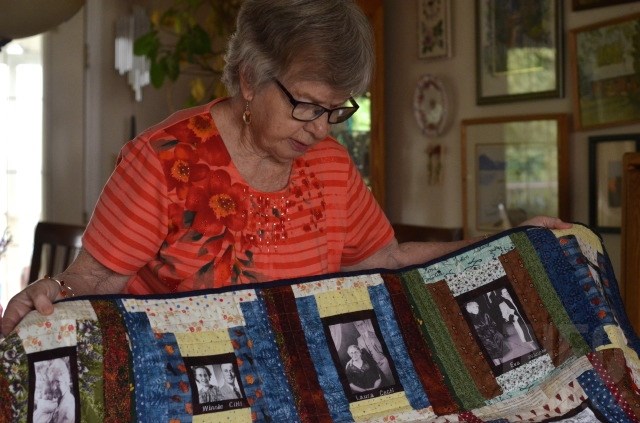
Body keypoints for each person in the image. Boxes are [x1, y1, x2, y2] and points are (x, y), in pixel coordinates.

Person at [0, 0, 571, 337]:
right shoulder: (162, 162)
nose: (321, 129)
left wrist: (506, 242)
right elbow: (92, 289)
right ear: (249, 77)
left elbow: (388, 260)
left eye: (336, 110)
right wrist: (45, 296)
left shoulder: (328, 164)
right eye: (306, 104)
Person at [465, 301, 506, 365]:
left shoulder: (485, 314)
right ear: (470, 310)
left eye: (476, 306)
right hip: (485, 341)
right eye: (473, 307)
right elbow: (476, 333)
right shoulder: (470, 320)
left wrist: (492, 332)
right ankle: (499, 365)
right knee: (493, 356)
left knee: (499, 353)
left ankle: (501, 364)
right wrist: (485, 337)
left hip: (494, 336)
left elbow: (493, 323)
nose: (476, 308)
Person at [353, 319, 393, 385]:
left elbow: (385, 347)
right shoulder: (359, 340)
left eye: (361, 324)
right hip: (373, 367)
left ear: (365, 324)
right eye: (358, 325)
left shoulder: (374, 334)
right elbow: (360, 354)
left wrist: (385, 358)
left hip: (383, 362)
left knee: (391, 379)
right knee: (383, 383)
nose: (361, 327)